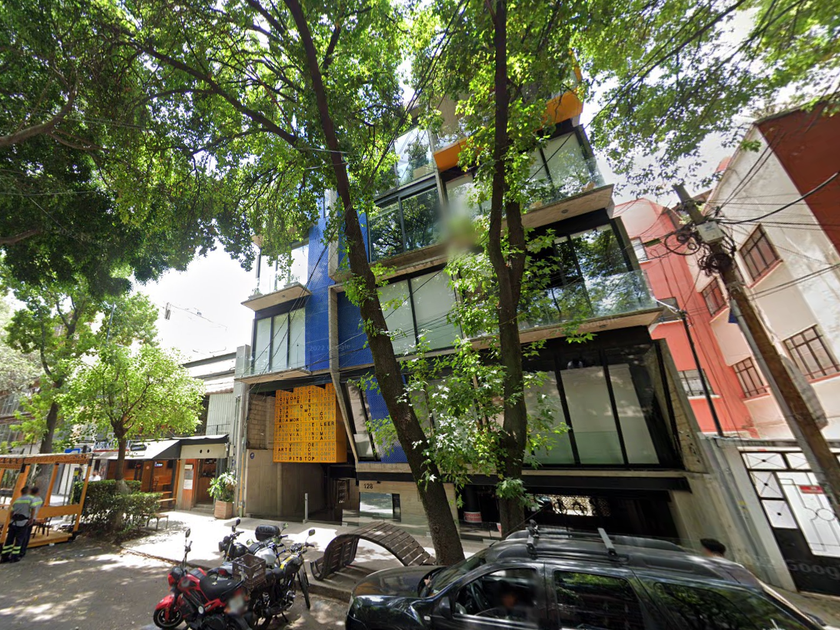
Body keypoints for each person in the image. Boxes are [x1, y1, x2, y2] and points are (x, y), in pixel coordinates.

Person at [1, 486, 32, 563]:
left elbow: (11, 512)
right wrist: (31, 519)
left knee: (9, 540)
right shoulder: (30, 500)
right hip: (23, 522)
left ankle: (4, 557)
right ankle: (14, 557)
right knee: (19, 540)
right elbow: (33, 510)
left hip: (13, 522)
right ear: (28, 492)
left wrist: (11, 520)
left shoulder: (16, 500)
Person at [20, 486, 43, 558]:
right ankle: (23, 550)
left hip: (25, 518)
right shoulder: (39, 499)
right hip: (32, 519)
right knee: (27, 535)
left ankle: (19, 550)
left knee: (22, 535)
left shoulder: (28, 499)